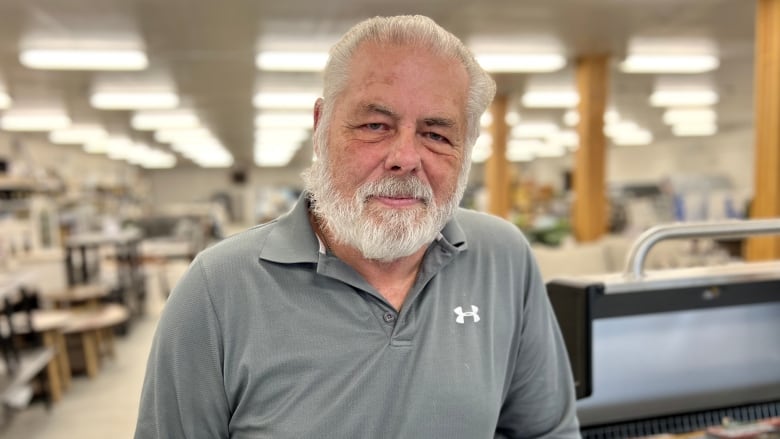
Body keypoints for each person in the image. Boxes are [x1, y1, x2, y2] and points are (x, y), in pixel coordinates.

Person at [135, 15, 580, 438]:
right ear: (320, 128)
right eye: (375, 125)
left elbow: (546, 431)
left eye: (436, 134)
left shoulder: (502, 258)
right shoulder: (217, 290)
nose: (405, 157)